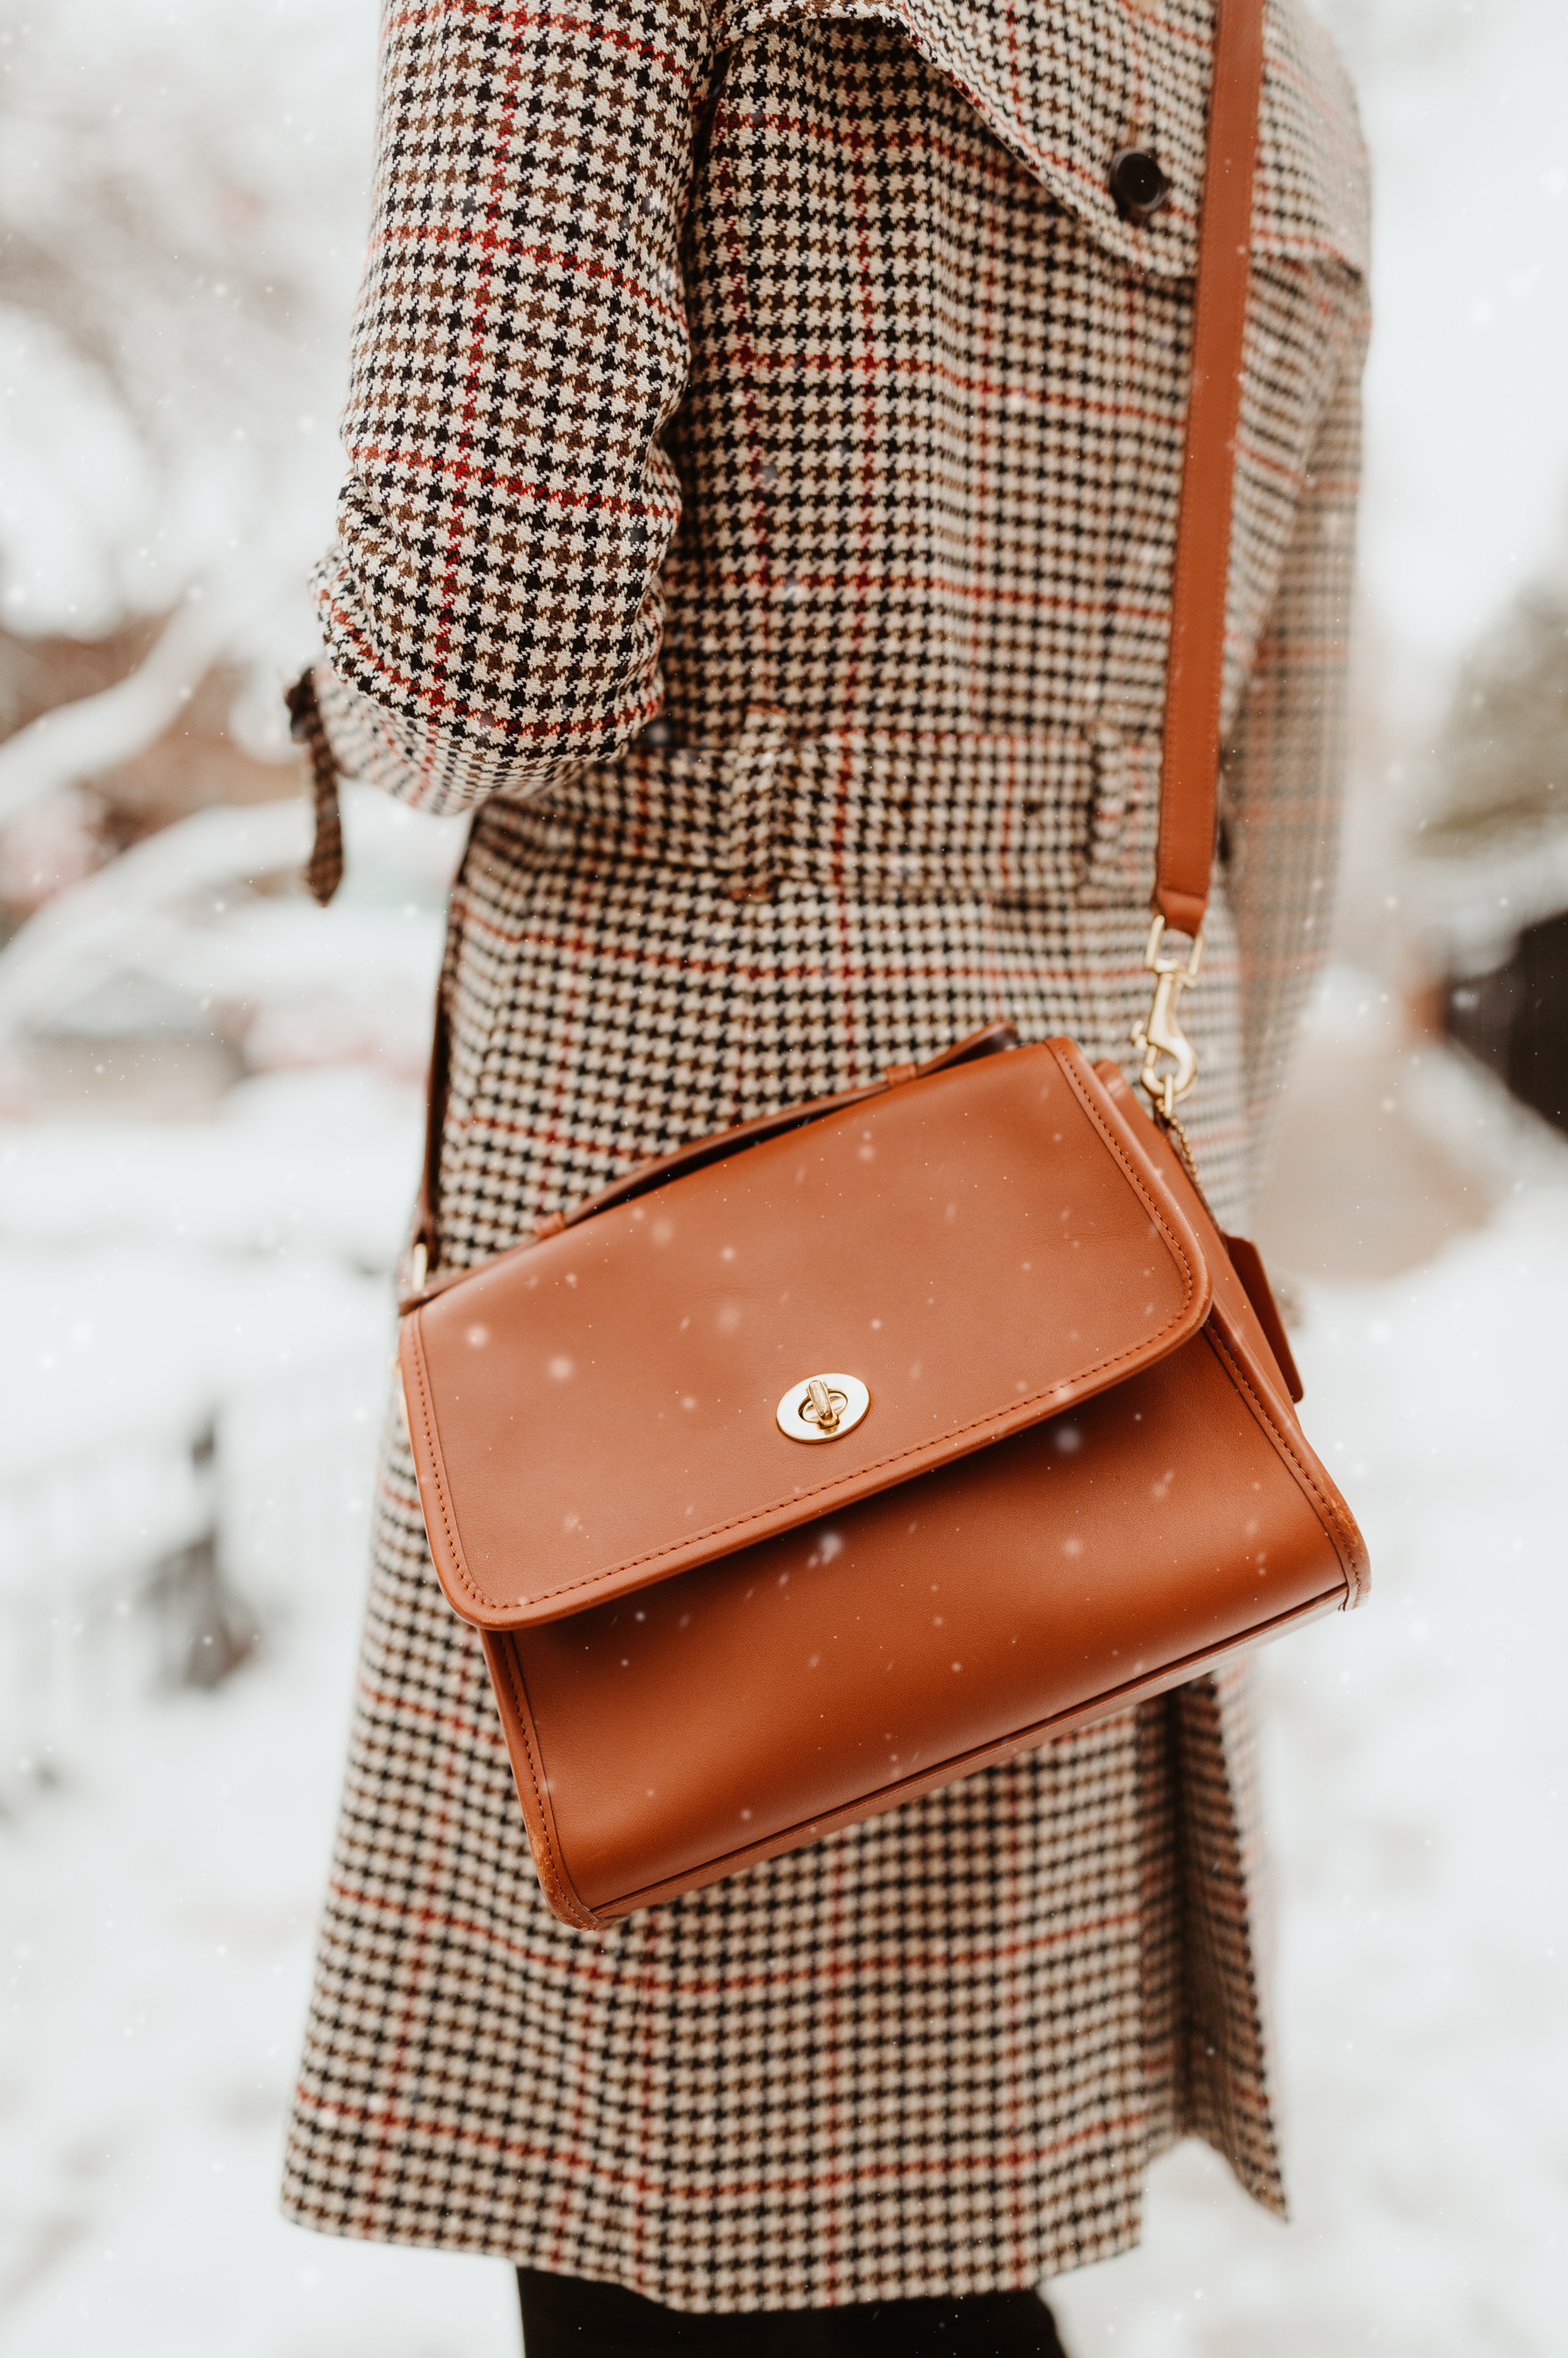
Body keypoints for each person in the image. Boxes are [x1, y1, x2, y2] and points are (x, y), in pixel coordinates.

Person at [280, 0, 1369, 2347]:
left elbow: (480, 653)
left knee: (692, 2229)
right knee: (912, 2225)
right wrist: (1153, 1205)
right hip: (1075, 1231)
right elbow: (1269, 795)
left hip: (664, 1222)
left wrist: (334, 678)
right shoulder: (1278, 69)